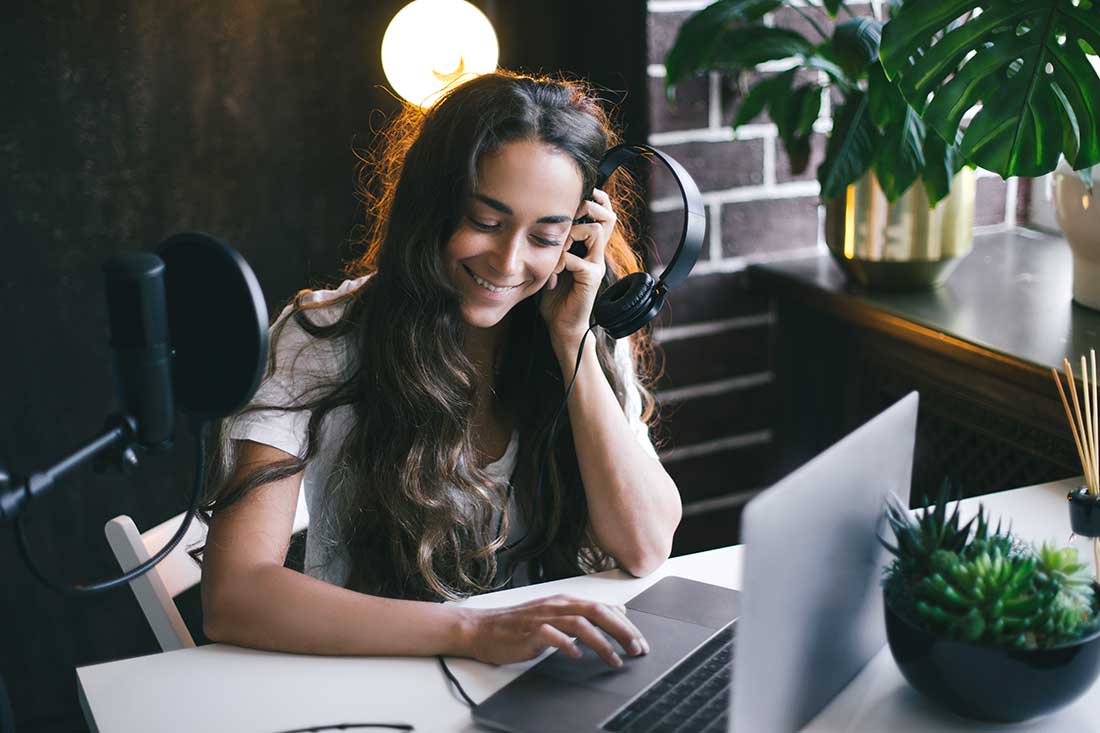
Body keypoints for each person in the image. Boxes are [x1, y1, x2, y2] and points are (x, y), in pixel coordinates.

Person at [199, 71, 682, 670]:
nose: (508, 262)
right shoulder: (322, 339)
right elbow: (235, 595)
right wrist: (472, 630)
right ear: (434, 205)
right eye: (485, 221)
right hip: (383, 675)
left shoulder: (582, 323)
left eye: (544, 235)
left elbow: (644, 546)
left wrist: (571, 340)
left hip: (544, 673)